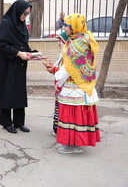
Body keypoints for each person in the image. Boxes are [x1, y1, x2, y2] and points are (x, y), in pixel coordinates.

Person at [55, 13, 100, 154]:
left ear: (74, 27)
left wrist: (58, 79)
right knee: (78, 114)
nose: (65, 29)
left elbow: (70, 67)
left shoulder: (76, 45)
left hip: (74, 85)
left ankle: (73, 144)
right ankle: (76, 143)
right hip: (83, 83)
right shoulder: (85, 38)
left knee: (72, 114)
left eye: (67, 26)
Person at [0, 0, 32, 134]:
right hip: (7, 65)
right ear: (17, 11)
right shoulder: (6, 24)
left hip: (19, 65)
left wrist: (33, 53)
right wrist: (18, 53)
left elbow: (24, 44)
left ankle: (19, 122)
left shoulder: (21, 25)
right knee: (8, 92)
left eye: (27, 14)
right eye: (24, 13)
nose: (25, 16)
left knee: (19, 93)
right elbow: (2, 45)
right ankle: (6, 122)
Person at [42, 32, 69, 136]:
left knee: (62, 109)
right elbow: (58, 71)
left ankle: (60, 131)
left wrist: (53, 69)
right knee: (58, 108)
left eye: (60, 41)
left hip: (64, 88)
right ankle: (57, 129)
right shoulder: (62, 56)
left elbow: (65, 71)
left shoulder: (68, 56)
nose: (58, 43)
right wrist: (51, 67)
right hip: (59, 88)